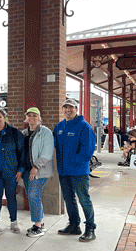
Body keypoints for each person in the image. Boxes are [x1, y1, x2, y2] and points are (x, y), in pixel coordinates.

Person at [54, 98, 96, 242]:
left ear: (76, 109)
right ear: (62, 110)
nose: (68, 110)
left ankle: (90, 228)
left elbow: (88, 150)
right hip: (63, 171)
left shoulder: (84, 126)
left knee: (84, 200)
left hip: (79, 171)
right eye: (65, 107)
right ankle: (74, 225)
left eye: (71, 107)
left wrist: (74, 163)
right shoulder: (59, 126)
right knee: (68, 199)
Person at [0, 108, 25, 233]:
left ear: (5, 118)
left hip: (11, 172)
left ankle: (13, 222)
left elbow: (22, 153)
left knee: (11, 197)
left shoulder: (14, 133)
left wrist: (20, 170)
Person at [21, 107, 54, 238]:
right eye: (29, 115)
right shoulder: (24, 133)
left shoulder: (45, 132)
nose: (32, 117)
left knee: (34, 195)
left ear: (39, 118)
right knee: (32, 196)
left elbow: (47, 153)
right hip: (27, 171)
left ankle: (38, 226)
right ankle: (40, 223)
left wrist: (36, 166)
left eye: (35, 115)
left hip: (39, 170)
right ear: (26, 118)